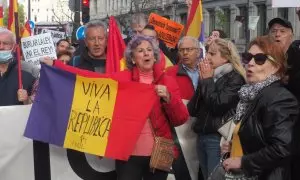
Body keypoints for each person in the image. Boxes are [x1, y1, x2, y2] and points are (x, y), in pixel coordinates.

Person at [221, 36, 299, 180]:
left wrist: (243, 161)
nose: (250, 63)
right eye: (248, 57)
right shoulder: (249, 95)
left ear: (276, 66)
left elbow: (282, 148)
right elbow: (257, 138)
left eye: (260, 59)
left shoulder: (280, 98)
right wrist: (235, 144)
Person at [113, 35, 189, 180]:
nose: (146, 53)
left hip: (160, 153)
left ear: (155, 57)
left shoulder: (168, 82)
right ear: (133, 59)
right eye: (140, 51)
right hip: (128, 154)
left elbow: (181, 118)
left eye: (149, 50)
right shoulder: (121, 80)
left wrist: (168, 98)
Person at [188, 38, 246, 180]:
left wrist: (207, 81)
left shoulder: (235, 78)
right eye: (207, 52)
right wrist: (203, 83)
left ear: (226, 57)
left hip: (217, 138)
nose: (207, 57)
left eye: (212, 54)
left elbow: (217, 106)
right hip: (202, 135)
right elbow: (192, 109)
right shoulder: (210, 76)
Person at [165, 36, 202, 180]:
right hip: (180, 132)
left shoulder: (208, 70)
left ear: (198, 51)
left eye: (189, 49)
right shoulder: (170, 73)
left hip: (202, 128)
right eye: (182, 50)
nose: (185, 53)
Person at [0, 28, 35, 106]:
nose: (1, 47)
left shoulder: (29, 71)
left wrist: (27, 100)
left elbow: (39, 105)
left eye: (5, 43)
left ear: (14, 47)